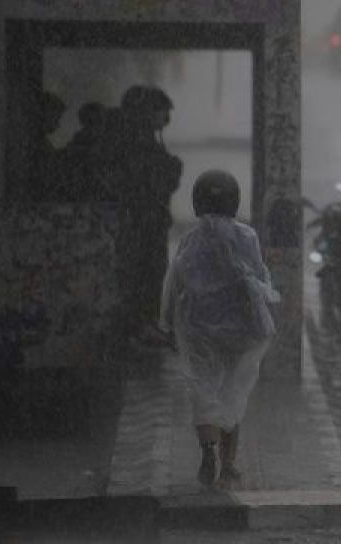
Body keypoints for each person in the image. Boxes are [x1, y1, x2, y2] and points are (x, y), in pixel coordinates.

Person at [159, 170, 280, 489]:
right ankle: (228, 465)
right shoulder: (247, 237)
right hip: (240, 329)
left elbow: (174, 284)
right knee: (232, 393)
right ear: (234, 201)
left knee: (203, 390)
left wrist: (168, 323)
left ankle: (207, 450)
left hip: (198, 328)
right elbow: (257, 278)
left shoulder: (191, 239)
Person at [114, 86, 183, 339]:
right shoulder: (136, 142)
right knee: (144, 271)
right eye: (162, 111)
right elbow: (147, 181)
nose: (166, 118)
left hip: (149, 220)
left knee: (151, 271)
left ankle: (145, 322)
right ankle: (140, 324)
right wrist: (170, 170)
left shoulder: (141, 141)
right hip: (141, 221)